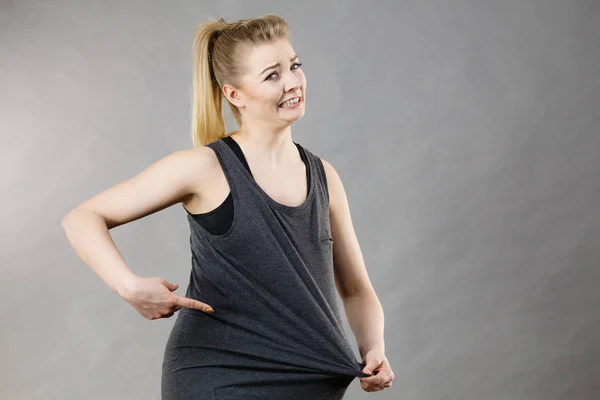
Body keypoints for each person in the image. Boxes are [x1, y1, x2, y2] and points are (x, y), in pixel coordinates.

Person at [61, 14, 394, 399]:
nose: (293, 82)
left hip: (312, 379)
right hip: (218, 375)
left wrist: (374, 349)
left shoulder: (324, 176)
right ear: (234, 94)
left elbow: (355, 290)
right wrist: (129, 286)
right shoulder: (206, 167)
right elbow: (82, 218)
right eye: (272, 75)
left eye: (295, 66)